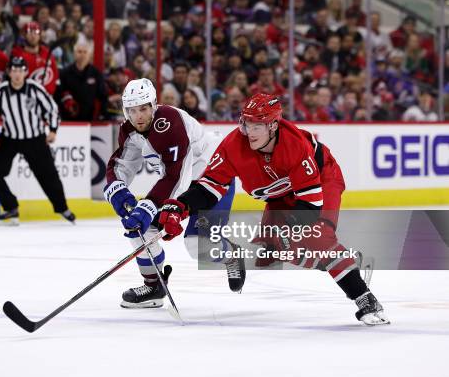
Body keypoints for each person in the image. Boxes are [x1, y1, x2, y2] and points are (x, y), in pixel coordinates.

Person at [158, 92, 390, 326]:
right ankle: (345, 263)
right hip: (281, 195)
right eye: (246, 123)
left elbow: (310, 204)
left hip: (322, 180)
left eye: (257, 125)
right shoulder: (232, 146)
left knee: (318, 238)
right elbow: (210, 187)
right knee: (271, 251)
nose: (249, 132)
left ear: (273, 125)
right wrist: (181, 206)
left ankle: (366, 299)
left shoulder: (295, 145)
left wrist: (289, 230)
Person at [103, 78, 244, 309]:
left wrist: (148, 206)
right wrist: (120, 194)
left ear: (154, 105)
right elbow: (121, 166)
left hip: (212, 182)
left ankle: (231, 254)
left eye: (143, 108)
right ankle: (154, 285)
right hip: (182, 184)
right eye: (132, 110)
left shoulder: (169, 121)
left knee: (197, 246)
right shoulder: (128, 129)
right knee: (139, 227)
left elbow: (176, 175)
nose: (138, 116)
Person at [0, 56, 76, 226]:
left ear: (26, 72)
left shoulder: (35, 89)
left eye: (20, 70)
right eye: (14, 70)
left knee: (49, 175)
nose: (17, 74)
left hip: (35, 138)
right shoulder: (0, 91)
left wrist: (53, 130)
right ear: (9, 72)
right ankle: (11, 208)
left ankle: (62, 208)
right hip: (9, 139)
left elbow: (52, 110)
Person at [55, 42, 107, 120]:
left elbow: (103, 96)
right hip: (68, 121)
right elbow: (57, 94)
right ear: (74, 54)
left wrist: (102, 115)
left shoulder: (96, 74)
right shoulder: (64, 73)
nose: (82, 55)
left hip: (89, 121)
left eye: (85, 52)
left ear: (90, 55)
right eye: (79, 52)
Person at [11, 21, 59, 94]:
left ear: (40, 35)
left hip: (47, 97)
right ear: (24, 35)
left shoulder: (47, 53)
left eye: (36, 32)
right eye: (30, 32)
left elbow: (55, 75)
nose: (33, 36)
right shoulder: (17, 55)